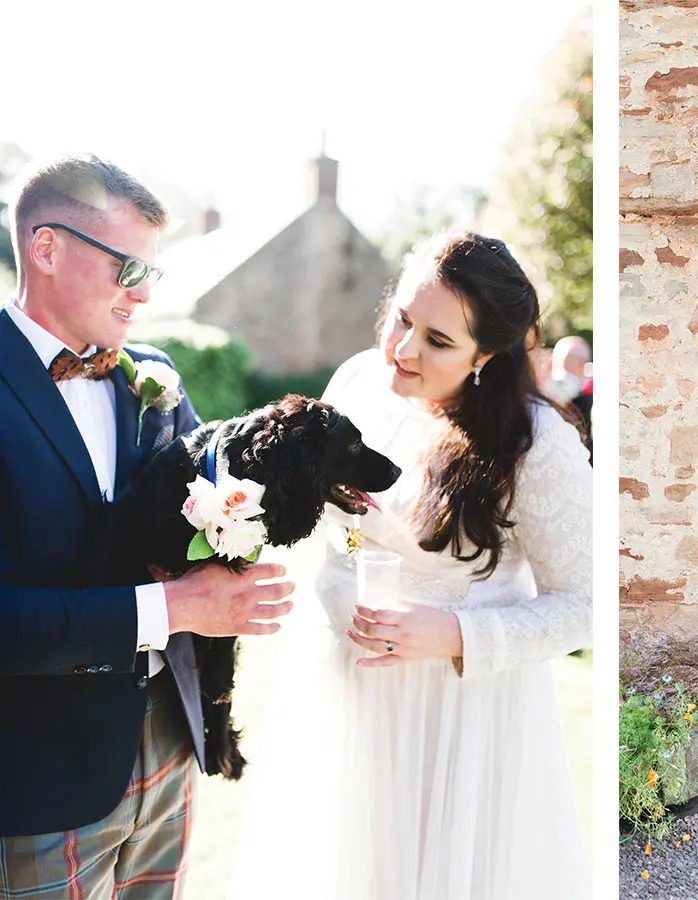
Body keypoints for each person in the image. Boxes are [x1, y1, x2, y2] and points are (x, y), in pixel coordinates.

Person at [229, 232, 593, 899]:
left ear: (487, 355)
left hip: (462, 714)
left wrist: (455, 636)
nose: (402, 349)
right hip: (344, 690)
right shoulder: (356, 385)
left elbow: (587, 605)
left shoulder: (536, 445)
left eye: (438, 341)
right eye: (401, 319)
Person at [0, 154, 294, 898]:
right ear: (46, 248)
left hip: (166, 739)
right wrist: (175, 606)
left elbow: (215, 507)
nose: (145, 294)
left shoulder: (155, 377)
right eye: (128, 267)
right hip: (34, 774)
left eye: (151, 272)